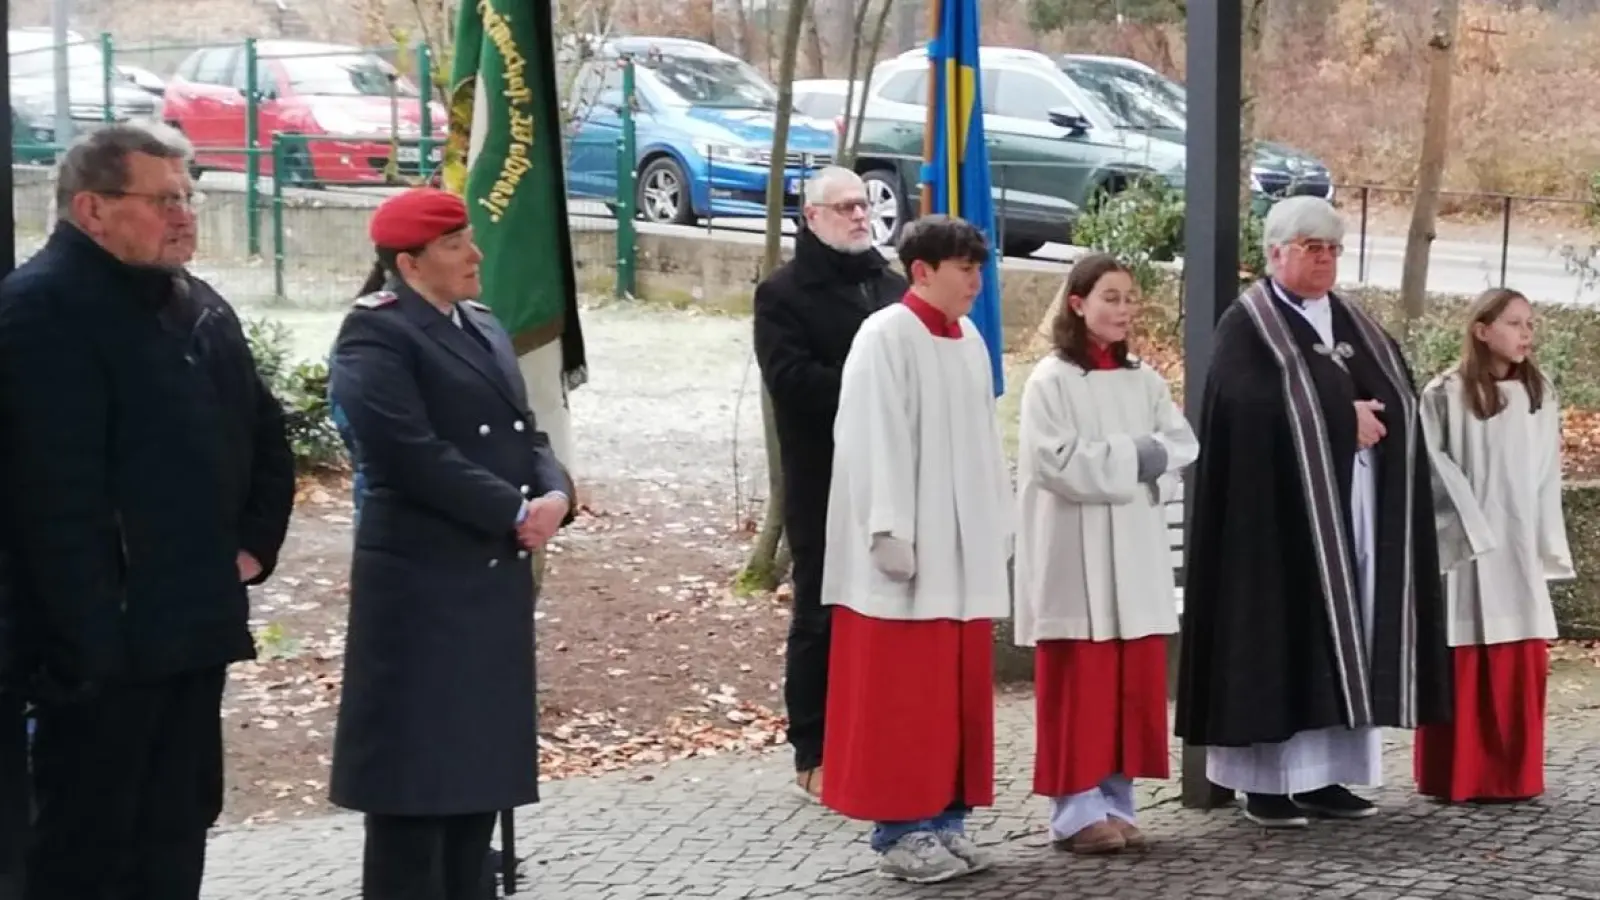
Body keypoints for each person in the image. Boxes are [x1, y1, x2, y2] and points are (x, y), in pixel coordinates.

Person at [0, 121, 296, 899]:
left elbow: (265, 434)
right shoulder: (38, 313)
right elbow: (49, 503)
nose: (185, 214)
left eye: (188, 196)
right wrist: (87, 645)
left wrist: (252, 550)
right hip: (97, 661)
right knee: (89, 853)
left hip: (191, 636)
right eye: (163, 199)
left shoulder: (197, 305)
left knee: (176, 836)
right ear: (91, 210)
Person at [1173, 195, 1453, 828]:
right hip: (1278, 524)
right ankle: (1266, 785)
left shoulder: (1351, 318)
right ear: (1276, 254)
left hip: (1353, 503)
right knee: (1284, 636)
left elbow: (1394, 389)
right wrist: (1339, 415)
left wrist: (1373, 416)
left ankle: (1329, 777)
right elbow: (1245, 407)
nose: (1324, 259)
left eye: (1331, 248)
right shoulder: (1247, 324)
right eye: (1310, 247)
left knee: (1348, 630)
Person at [327, 187, 574, 900]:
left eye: (470, 237)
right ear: (409, 263)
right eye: (455, 244)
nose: (476, 254)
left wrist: (554, 493)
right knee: (415, 790)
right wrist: (510, 508)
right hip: (421, 589)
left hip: (488, 583)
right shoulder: (376, 333)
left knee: (473, 786)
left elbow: (526, 432)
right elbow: (406, 450)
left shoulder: (482, 325)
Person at [819, 215, 1013, 884]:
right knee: (904, 696)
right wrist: (888, 529)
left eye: (980, 268)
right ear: (921, 270)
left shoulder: (969, 341)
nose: (976, 282)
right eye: (964, 268)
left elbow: (985, 443)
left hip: (960, 553)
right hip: (907, 557)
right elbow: (873, 438)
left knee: (952, 696)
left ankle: (946, 819)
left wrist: (996, 523)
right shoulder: (885, 337)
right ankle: (900, 830)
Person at [1013, 254, 1198, 853]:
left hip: (1133, 552)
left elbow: (1179, 445)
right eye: (1110, 297)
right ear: (1077, 304)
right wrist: (1136, 459)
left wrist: (1140, 461)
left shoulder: (1143, 378)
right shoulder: (1052, 381)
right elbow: (1059, 463)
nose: (1123, 309)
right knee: (1081, 685)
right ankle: (1073, 811)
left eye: (1129, 298)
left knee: (1126, 685)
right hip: (1076, 551)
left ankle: (1117, 801)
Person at [752, 166, 906, 801]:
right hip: (823, 475)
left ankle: (880, 736)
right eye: (843, 207)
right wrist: (870, 384)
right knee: (820, 612)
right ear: (811, 217)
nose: (859, 216)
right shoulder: (783, 294)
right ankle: (811, 747)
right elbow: (791, 382)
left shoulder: (890, 285)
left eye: (864, 205)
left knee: (888, 608)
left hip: (892, 471)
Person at [1413, 287, 1572, 803]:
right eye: (1514, 324)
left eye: (1530, 324)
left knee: (1517, 657)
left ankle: (1512, 775)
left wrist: (1541, 538)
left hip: (1518, 546)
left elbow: (1547, 474)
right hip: (1466, 549)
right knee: (1463, 653)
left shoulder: (1539, 392)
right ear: (1482, 330)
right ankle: (1457, 774)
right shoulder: (1444, 394)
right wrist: (1468, 529)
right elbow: (1429, 467)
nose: (1527, 334)